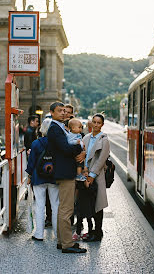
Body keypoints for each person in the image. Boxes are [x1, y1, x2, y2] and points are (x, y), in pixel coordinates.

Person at [47, 101, 87, 254]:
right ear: (52, 112)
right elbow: (65, 148)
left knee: (63, 208)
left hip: (64, 170)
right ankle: (67, 244)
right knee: (67, 209)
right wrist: (80, 147)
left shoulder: (59, 127)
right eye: (59, 111)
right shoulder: (55, 129)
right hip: (65, 171)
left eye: (65, 111)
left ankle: (62, 241)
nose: (63, 113)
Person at [25, 118, 59, 241]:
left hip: (38, 177)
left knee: (39, 205)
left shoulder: (36, 143)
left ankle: (39, 234)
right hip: (54, 177)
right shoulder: (57, 144)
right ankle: (57, 233)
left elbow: (31, 163)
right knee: (55, 205)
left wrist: (29, 175)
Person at [82, 113, 110, 242]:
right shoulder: (86, 137)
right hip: (85, 174)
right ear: (91, 123)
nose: (96, 125)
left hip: (96, 176)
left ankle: (98, 232)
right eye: (94, 122)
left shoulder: (104, 139)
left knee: (98, 205)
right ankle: (90, 230)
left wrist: (92, 176)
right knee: (87, 204)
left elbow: (101, 159)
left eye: (99, 123)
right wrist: (84, 172)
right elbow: (82, 155)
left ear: (102, 125)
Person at [72, 167, 97, 241]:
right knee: (79, 219)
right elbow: (77, 189)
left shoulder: (92, 181)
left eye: (87, 172)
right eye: (83, 172)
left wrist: (88, 186)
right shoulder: (80, 181)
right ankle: (78, 233)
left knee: (89, 219)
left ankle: (90, 232)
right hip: (81, 204)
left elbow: (93, 191)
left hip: (88, 204)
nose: (86, 173)